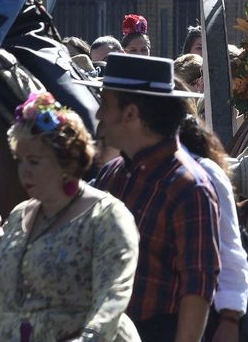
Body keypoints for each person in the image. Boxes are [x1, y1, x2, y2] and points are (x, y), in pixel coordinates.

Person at [0, 91, 140, 342]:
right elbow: (1, 306)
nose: (24, 171)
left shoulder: (108, 215)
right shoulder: (17, 216)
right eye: (20, 160)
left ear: (66, 162)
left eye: (34, 161)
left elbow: (114, 295)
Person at [92, 54, 219, 342]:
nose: (98, 115)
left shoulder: (189, 189)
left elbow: (198, 287)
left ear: (131, 114)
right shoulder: (111, 175)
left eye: (105, 105)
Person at [174, 98, 248, 342]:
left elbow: (229, 249)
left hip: (200, 318)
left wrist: (230, 319)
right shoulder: (118, 171)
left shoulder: (204, 173)